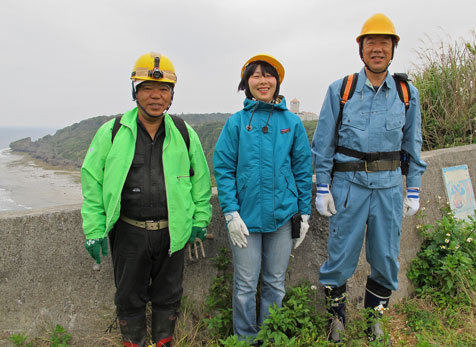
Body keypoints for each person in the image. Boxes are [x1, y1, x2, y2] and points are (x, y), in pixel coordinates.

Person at [81, 52, 212, 347]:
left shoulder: (183, 132)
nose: (155, 96)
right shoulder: (112, 132)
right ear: (135, 92)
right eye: (147, 89)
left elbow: (200, 182)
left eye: (163, 89)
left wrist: (200, 221)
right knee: (128, 299)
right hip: (128, 232)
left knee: (169, 297)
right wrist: (93, 229)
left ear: (171, 95)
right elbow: (92, 182)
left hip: (173, 232)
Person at [312, 14, 427, 343]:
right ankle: (336, 320)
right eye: (371, 43)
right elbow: (323, 144)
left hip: (389, 188)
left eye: (384, 43)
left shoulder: (406, 94)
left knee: (386, 256)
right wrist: (323, 187)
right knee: (340, 256)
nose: (378, 49)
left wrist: (414, 188)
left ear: (393, 50)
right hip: (347, 188)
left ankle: (375, 321)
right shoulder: (342, 90)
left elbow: (412, 143)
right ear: (361, 49)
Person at [213, 54, 313, 343]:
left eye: (268, 75)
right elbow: (224, 168)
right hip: (245, 218)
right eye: (255, 75)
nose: (262, 80)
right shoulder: (236, 123)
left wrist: (303, 214)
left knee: (274, 283)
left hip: (282, 217)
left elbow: (303, 170)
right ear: (247, 83)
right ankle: (244, 339)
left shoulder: (292, 123)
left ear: (277, 81)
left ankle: (269, 338)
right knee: (245, 283)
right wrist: (231, 213)